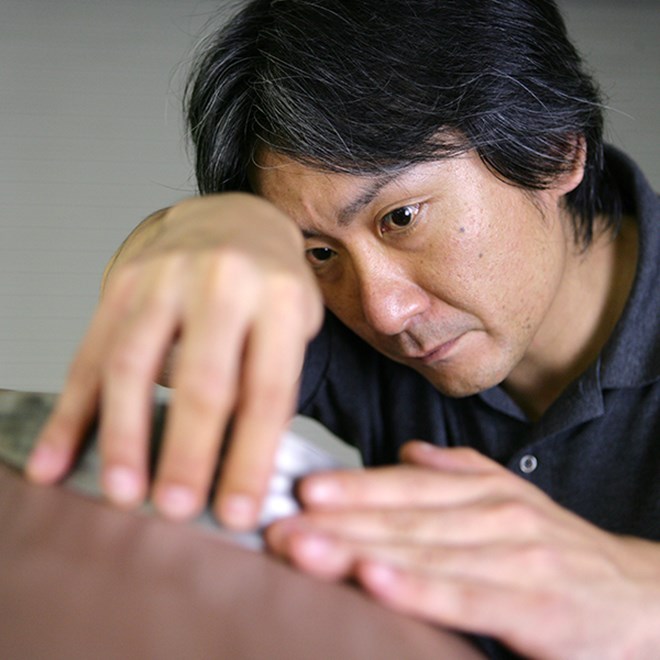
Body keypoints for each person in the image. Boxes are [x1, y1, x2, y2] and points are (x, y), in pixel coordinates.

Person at [26, 0, 659, 657]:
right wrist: (203, 230)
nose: (383, 313)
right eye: (320, 251)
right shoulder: (349, 311)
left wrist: (641, 596)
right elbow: (175, 348)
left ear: (554, 149)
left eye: (402, 218)